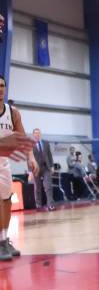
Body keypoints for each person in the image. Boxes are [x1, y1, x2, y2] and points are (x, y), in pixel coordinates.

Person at [0, 75, 38, 261]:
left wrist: (31, 158)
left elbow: (23, 138)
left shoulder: (12, 112)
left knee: (6, 200)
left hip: (4, 162)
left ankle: (3, 239)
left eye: (2, 86)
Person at [32, 128, 55, 211]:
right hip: (36, 169)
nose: (37, 134)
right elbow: (28, 159)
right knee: (37, 187)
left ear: (40, 134)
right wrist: (30, 171)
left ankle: (50, 205)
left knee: (48, 186)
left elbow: (49, 155)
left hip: (46, 168)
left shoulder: (45, 143)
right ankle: (38, 204)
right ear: (33, 135)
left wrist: (52, 166)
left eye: (38, 133)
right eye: (35, 133)